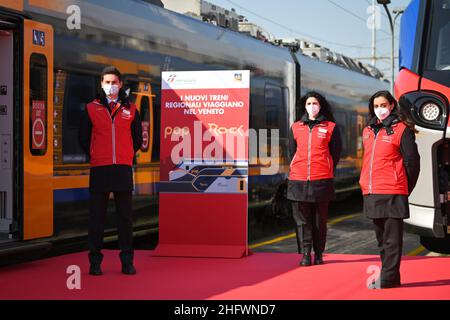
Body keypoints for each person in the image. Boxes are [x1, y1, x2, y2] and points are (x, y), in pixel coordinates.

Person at [79, 66, 143, 276]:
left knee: (125, 218)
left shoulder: (132, 110)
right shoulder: (90, 108)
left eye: (114, 82)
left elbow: (137, 140)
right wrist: (97, 155)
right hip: (100, 168)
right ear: (101, 84)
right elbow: (83, 138)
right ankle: (95, 262)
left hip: (123, 169)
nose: (110, 86)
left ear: (121, 84)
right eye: (106, 82)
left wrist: (123, 156)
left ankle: (127, 262)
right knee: (97, 218)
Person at [359, 90, 420, 289]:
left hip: (393, 191)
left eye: (383, 105)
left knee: (392, 240)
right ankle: (392, 277)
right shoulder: (368, 130)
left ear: (392, 105)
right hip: (372, 191)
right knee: (381, 240)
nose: (380, 109)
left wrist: (404, 186)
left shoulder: (402, 129)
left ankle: (387, 278)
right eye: (376, 106)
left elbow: (412, 162)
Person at [287, 91, 342, 266]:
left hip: (322, 180)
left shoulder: (331, 127)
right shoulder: (296, 127)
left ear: (321, 105)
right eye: (309, 103)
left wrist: (325, 168)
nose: (312, 106)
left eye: (315, 103)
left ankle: (318, 254)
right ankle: (304, 254)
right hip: (298, 180)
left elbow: (336, 153)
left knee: (319, 221)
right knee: (302, 221)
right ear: (304, 106)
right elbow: (291, 152)